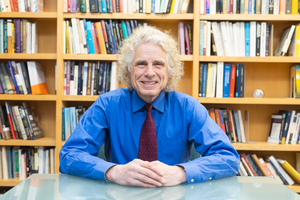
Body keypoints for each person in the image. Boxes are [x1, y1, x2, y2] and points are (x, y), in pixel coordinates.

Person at [59, 26, 240, 188]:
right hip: (121, 194)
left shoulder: (188, 107)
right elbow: (69, 155)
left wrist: (180, 172)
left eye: (158, 64)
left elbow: (228, 159)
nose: (150, 72)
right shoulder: (107, 105)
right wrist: (114, 171)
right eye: (141, 64)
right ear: (129, 70)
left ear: (168, 71)